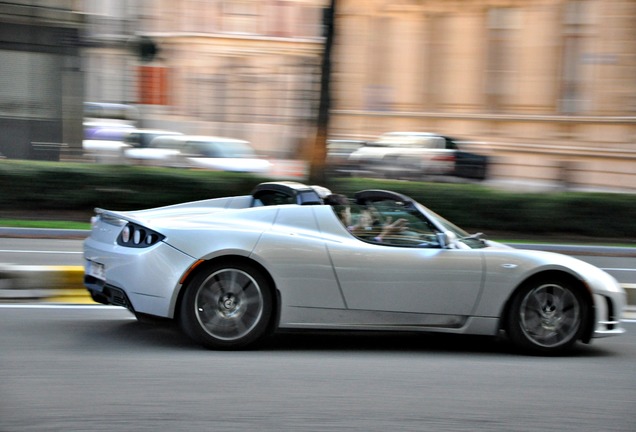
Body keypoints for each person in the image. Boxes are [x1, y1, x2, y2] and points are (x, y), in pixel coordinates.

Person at [323, 193, 407, 243]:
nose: (350, 215)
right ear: (343, 214)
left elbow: (350, 229)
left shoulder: (330, 226)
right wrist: (383, 235)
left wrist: (359, 227)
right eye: (349, 211)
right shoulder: (337, 234)